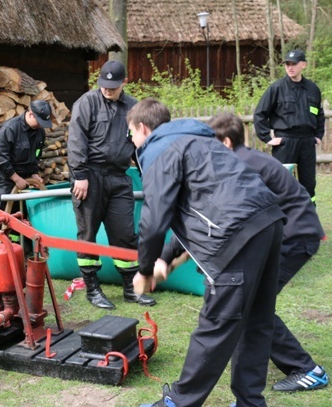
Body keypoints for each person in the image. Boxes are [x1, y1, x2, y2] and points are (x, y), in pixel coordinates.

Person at [129, 98, 285, 407]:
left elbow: (155, 217)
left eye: (131, 133)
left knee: (216, 324)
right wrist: (166, 258)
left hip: (234, 235)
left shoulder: (159, 152)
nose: (132, 140)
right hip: (268, 221)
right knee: (257, 321)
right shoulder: (199, 141)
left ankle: (179, 402)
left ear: (143, 128)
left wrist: (144, 269)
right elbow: (196, 206)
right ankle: (250, 402)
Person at [209, 112, 328, 393]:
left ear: (225, 142)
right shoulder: (245, 158)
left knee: (252, 306)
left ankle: (307, 370)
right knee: (252, 305)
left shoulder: (241, 166)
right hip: (291, 234)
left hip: (295, 238)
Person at [67, 60, 155, 309]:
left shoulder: (134, 107)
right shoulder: (86, 103)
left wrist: (148, 174)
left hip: (118, 177)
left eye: (113, 86)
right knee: (87, 234)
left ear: (124, 83)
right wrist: (80, 175)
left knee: (125, 235)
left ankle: (132, 288)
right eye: (104, 85)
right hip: (89, 177)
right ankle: (93, 289)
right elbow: (76, 141)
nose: (107, 90)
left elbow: (141, 145)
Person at [254, 49, 325, 204]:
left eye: (294, 64)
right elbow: (259, 114)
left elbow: (319, 114)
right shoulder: (277, 88)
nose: (290, 67)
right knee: (282, 182)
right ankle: (283, 221)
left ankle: (308, 218)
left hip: (307, 142)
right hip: (285, 142)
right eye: (287, 64)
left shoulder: (313, 89)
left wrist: (318, 135)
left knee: (309, 184)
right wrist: (267, 138)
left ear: (303, 65)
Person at [0, 99, 51, 210]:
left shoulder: (40, 132)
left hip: (24, 180)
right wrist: (16, 179)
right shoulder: (10, 129)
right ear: (31, 114)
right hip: (4, 182)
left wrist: (34, 173)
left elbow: (36, 155)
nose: (41, 126)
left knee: (21, 218)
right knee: (3, 219)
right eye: (40, 122)